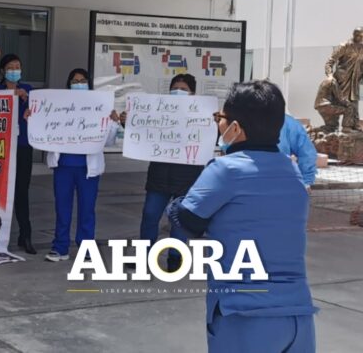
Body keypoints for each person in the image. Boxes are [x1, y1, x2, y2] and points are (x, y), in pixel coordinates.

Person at [168, 81, 316, 352]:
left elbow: (187, 221)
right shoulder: (291, 170)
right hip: (298, 315)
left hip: (245, 316)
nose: (219, 125)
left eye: (221, 118)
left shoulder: (226, 169)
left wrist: (175, 201)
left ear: (235, 128)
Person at [122, 74, 205, 272]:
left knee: (178, 220)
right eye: (175, 88)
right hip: (159, 176)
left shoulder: (202, 115)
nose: (179, 92)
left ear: (192, 93)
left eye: (184, 89)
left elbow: (213, 137)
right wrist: (128, 121)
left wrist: (214, 122)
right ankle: (145, 257)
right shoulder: (159, 111)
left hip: (188, 177)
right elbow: (142, 130)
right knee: (150, 215)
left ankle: (175, 259)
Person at [38, 68, 119, 262]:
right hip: (64, 166)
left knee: (87, 210)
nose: (79, 84)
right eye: (75, 81)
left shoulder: (99, 106)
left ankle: (86, 250)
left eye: (82, 80)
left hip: (87, 168)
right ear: (69, 84)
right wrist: (33, 116)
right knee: (62, 208)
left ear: (88, 84)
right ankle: (60, 248)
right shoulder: (57, 105)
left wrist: (113, 123)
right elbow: (44, 128)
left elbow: (107, 141)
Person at [0, 54, 36, 254]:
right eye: (10, 67)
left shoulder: (29, 91)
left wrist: (27, 102)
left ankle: (25, 235)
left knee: (21, 193)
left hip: (23, 146)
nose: (14, 70)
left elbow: (41, 113)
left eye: (18, 66)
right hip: (1, 148)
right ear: (2, 71)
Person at [323, 27, 363, 132]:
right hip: (342, 80)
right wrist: (330, 75)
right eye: (357, 35)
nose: (358, 37)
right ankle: (342, 127)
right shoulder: (344, 45)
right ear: (353, 34)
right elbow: (330, 61)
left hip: (355, 80)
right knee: (342, 102)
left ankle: (354, 125)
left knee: (354, 102)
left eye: (361, 36)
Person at [279, 114, 318, 191]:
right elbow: (307, 153)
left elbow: (307, 153)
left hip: (250, 178)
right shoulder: (288, 121)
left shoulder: (287, 122)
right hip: (281, 179)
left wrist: (306, 180)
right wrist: (306, 181)